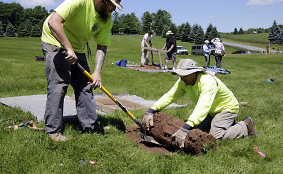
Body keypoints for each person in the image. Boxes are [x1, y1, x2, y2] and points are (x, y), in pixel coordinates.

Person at [41, 0, 123, 141]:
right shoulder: (80, 1)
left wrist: (97, 72)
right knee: (59, 85)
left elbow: (102, 47)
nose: (114, 10)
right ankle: (53, 131)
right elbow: (53, 22)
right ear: (104, 1)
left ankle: (90, 126)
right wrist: (68, 48)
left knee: (86, 84)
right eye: (113, 6)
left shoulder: (106, 18)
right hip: (54, 40)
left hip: (76, 47)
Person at [142, 59, 257, 148]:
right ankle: (228, 125)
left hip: (226, 108)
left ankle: (245, 126)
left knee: (215, 136)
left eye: (184, 75)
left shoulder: (207, 82)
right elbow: (170, 95)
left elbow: (203, 106)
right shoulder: (184, 81)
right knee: (193, 130)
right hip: (211, 111)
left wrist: (187, 126)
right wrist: (151, 110)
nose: (182, 78)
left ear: (195, 73)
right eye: (180, 75)